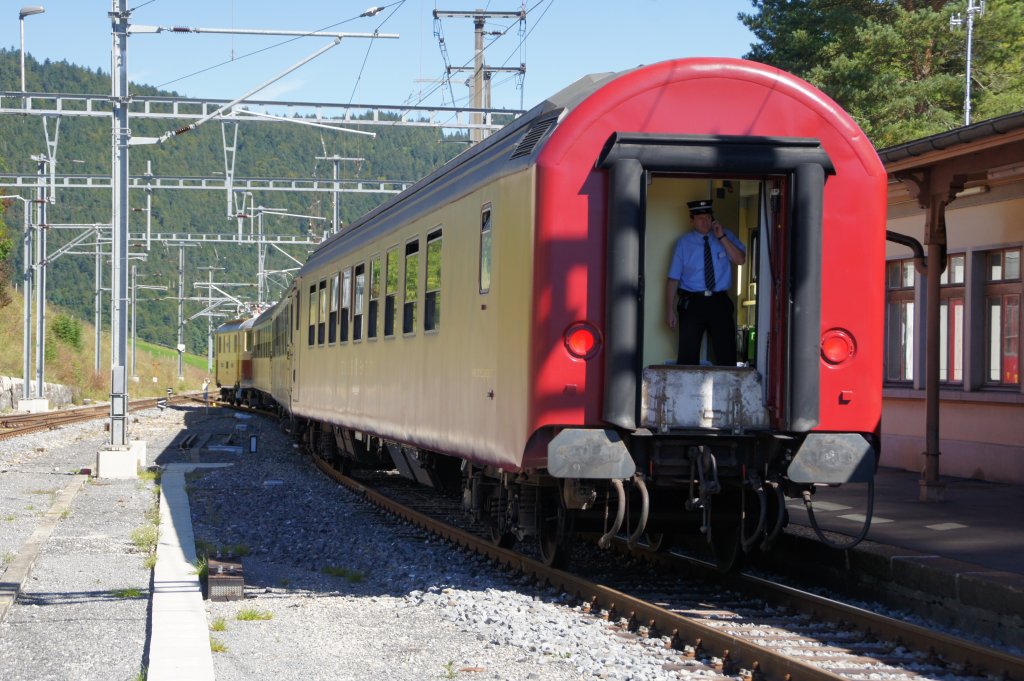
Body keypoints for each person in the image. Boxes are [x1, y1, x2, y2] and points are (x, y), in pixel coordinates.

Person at [665, 199, 746, 366]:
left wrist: (721, 237)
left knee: (726, 353)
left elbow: (740, 260)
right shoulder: (683, 243)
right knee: (688, 354)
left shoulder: (725, 235)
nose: (705, 222)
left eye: (708, 217)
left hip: (719, 301)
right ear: (691, 220)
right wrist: (669, 311)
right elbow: (673, 279)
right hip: (693, 302)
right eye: (701, 218)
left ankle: (727, 391)